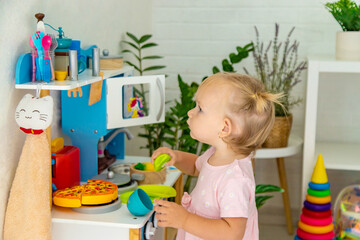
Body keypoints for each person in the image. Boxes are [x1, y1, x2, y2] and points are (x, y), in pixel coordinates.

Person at [151, 72, 283, 240]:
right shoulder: (217, 154)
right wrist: (176, 157)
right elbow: (196, 167)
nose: (191, 113)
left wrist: (184, 220)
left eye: (200, 109)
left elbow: (232, 233)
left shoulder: (235, 179)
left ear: (224, 128)